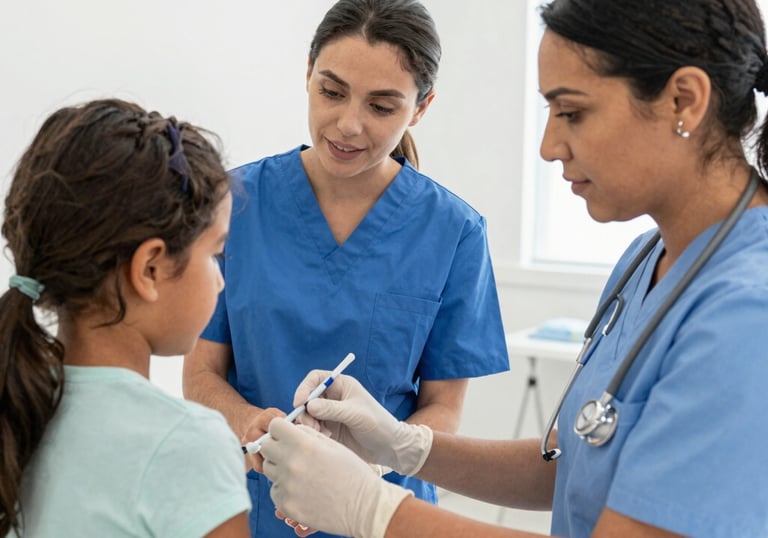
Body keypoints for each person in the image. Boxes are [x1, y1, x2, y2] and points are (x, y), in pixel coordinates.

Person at [257, 0, 768, 536]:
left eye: (571, 112)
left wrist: (374, 510)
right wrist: (403, 445)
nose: (548, 147)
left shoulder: (746, 312)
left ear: (683, 100)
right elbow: (569, 466)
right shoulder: (647, 258)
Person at [181, 0, 509, 536]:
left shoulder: (454, 233)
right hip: (247, 509)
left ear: (420, 108)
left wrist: (367, 468)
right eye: (331, 92)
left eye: (382, 106)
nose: (348, 124)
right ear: (307, 74)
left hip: (385, 511)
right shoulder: (233, 204)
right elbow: (200, 374)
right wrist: (252, 425)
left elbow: (443, 409)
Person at [0, 99, 252, 537]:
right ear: (150, 269)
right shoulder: (189, 443)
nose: (220, 282)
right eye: (216, 253)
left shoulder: (18, 409)